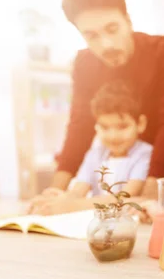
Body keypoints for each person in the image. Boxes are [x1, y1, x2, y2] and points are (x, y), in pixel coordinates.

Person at [28, 0, 164, 213]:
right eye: (92, 36)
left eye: (112, 29)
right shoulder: (84, 64)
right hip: (129, 169)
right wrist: (52, 195)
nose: (106, 44)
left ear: (128, 21)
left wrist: (150, 200)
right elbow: (80, 125)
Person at [32, 80, 153, 216]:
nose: (113, 136)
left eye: (122, 127)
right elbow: (78, 191)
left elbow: (124, 197)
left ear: (141, 124)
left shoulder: (145, 154)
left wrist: (71, 206)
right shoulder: (94, 155)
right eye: (105, 127)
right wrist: (59, 199)